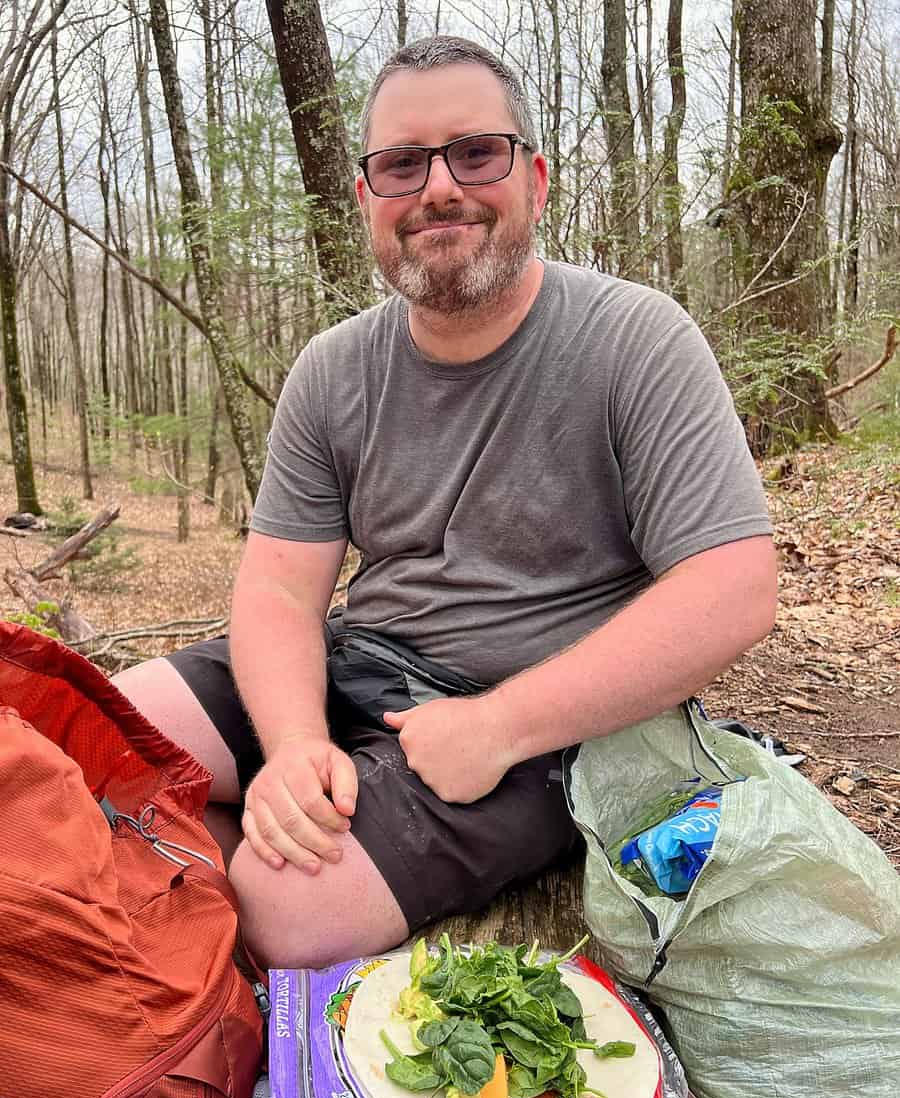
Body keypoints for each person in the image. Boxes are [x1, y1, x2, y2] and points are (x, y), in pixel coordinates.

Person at [114, 36, 776, 969]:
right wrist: (296, 744)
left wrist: (501, 726)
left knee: (284, 910)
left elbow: (734, 588)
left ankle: (171, 877)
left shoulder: (637, 340)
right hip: (361, 662)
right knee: (87, 739)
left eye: (476, 152)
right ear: (367, 200)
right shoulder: (333, 370)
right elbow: (278, 593)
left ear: (536, 179)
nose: (438, 188)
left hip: (544, 726)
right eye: (401, 164)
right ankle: (197, 849)